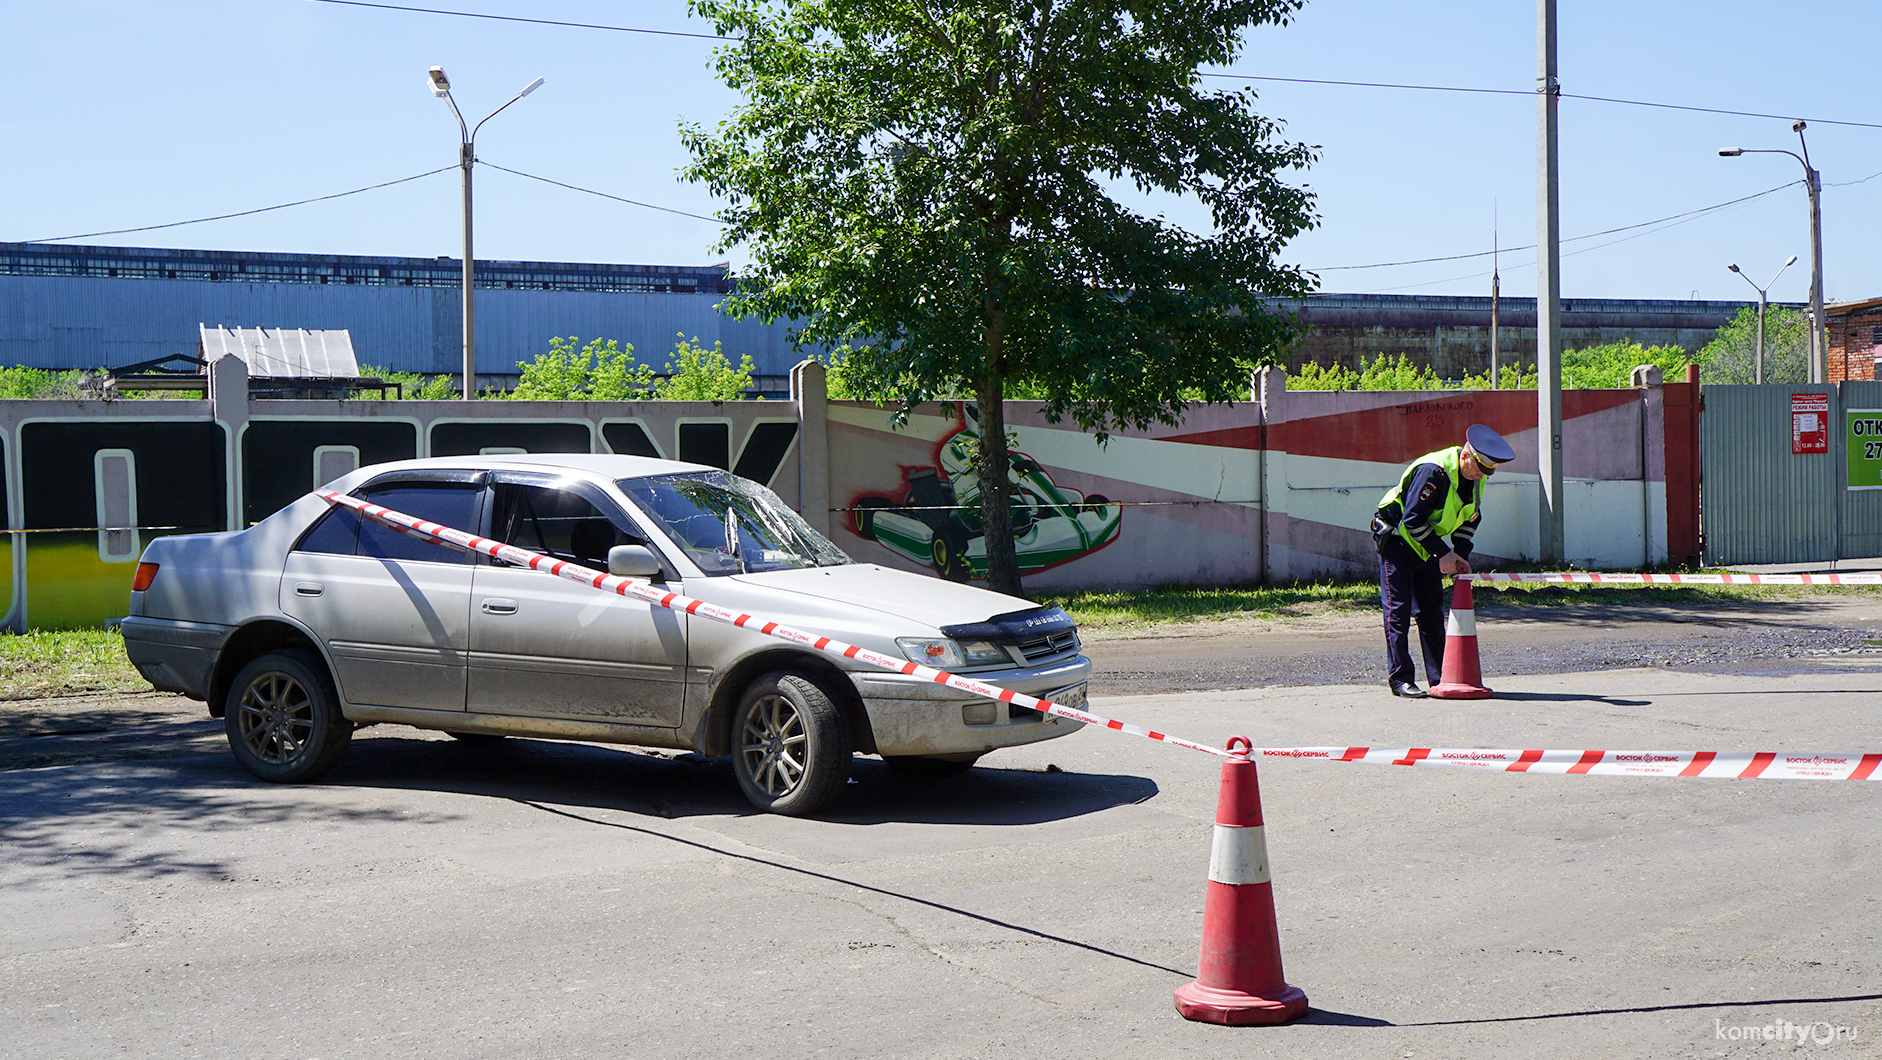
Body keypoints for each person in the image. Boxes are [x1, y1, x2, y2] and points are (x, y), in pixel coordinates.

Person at [1370, 423, 1515, 698]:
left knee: (1431, 613)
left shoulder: (1477, 476)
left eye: (1485, 472)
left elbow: (1471, 517)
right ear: (1465, 456)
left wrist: (1459, 553)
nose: (1478, 476)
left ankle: (1440, 679)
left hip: (1427, 543)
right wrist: (1444, 553)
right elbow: (1412, 520)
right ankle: (1400, 680)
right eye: (1476, 469)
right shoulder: (1433, 472)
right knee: (1397, 613)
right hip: (1398, 539)